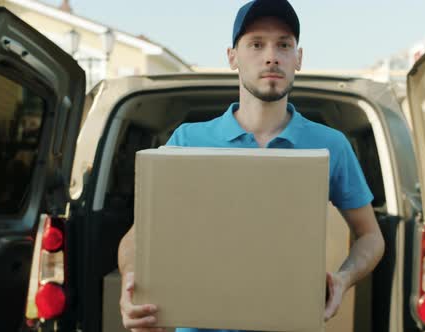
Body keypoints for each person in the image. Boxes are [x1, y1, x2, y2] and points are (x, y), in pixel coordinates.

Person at [117, 0, 385, 331]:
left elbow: (370, 235)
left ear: (298, 58)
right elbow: (138, 237)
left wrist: (343, 279)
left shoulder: (331, 145)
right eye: (256, 44)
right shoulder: (188, 140)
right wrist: (132, 285)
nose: (271, 56)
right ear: (232, 56)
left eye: (284, 45)